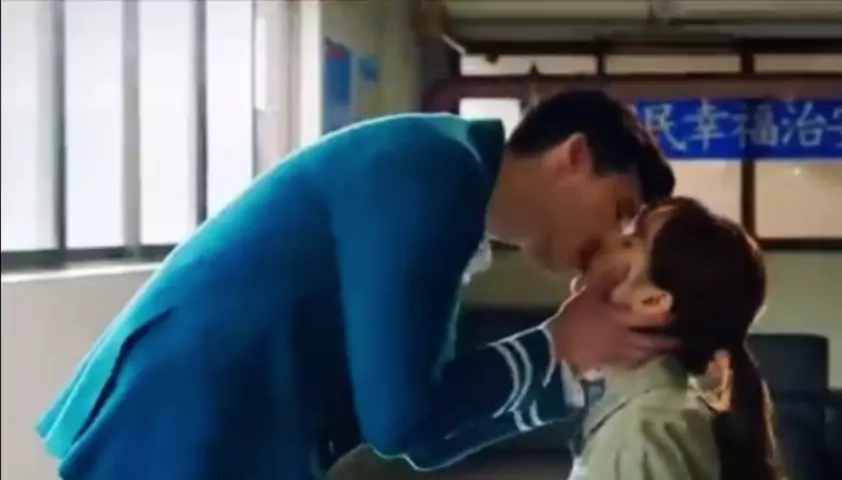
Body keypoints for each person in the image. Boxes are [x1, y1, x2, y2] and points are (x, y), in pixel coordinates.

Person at [36, 90, 676, 480]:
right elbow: (403, 421)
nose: (612, 241)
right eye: (620, 210)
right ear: (574, 156)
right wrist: (558, 343)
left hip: (219, 424)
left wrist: (567, 361)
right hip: (186, 424)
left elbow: (422, 438)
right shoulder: (435, 173)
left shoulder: (449, 180)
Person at [566, 197, 785, 480]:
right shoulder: (652, 416)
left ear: (652, 301)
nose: (606, 241)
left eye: (630, 242)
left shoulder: (641, 432)